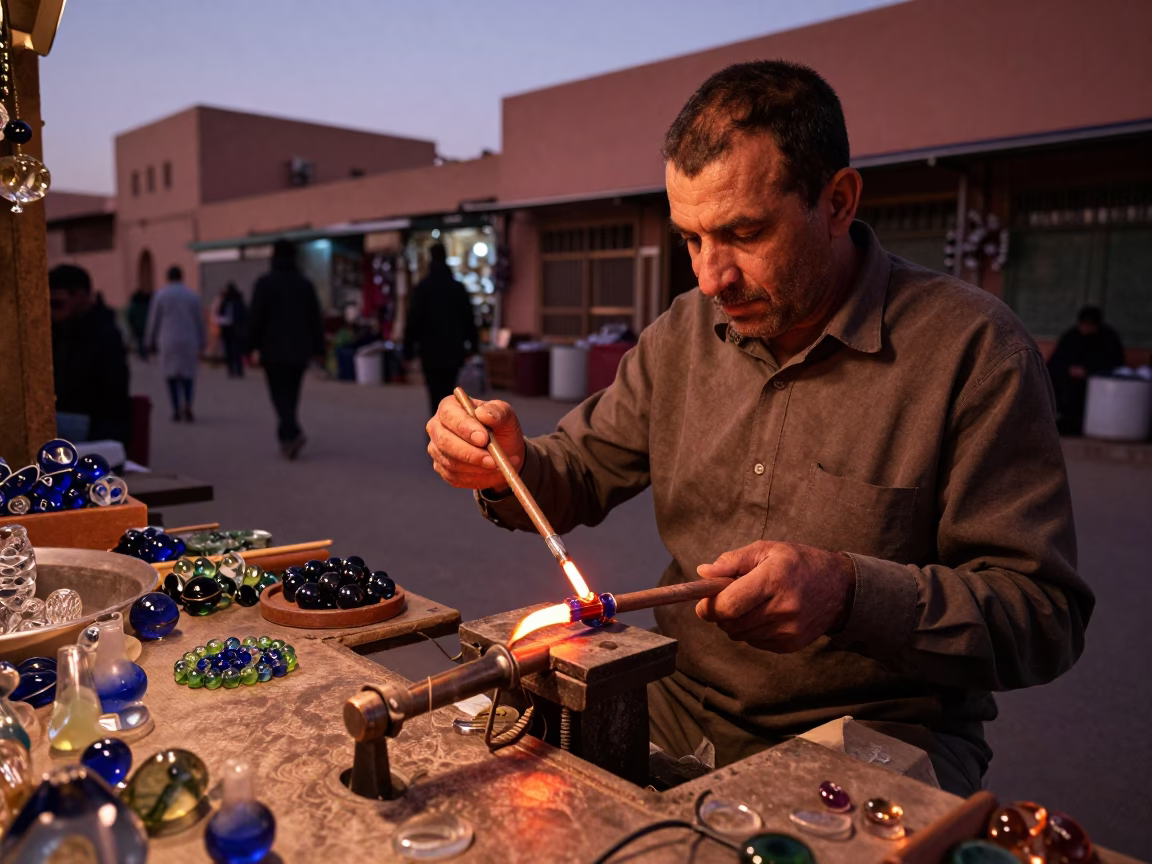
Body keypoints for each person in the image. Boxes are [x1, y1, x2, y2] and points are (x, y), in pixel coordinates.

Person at [425, 61, 1094, 796]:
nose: (711, 278)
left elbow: (1044, 618)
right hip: (680, 698)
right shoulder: (682, 334)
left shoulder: (973, 351)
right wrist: (509, 467)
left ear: (836, 202)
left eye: (744, 233)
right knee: (482, 784)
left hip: (877, 731)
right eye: (691, 239)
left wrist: (850, 594)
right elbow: (577, 471)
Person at [247, 240, 324, 459]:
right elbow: (315, 318)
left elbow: (255, 317)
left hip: (272, 350)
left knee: (278, 395)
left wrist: (250, 345)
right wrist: (319, 348)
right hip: (299, 350)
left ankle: (292, 432)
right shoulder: (304, 284)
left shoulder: (264, 284)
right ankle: (287, 437)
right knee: (292, 394)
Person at [48, 264, 131, 443]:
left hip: (98, 426)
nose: (52, 313)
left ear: (80, 296)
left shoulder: (104, 334)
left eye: (57, 305)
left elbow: (108, 395)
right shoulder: (59, 333)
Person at [403, 243, 480, 416]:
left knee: (434, 393)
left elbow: (413, 320)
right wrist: (473, 347)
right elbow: (469, 319)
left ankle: (438, 423)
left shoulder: (423, 288)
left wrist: (408, 350)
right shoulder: (457, 288)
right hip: (454, 349)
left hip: (429, 350)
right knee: (449, 390)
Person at [1046, 306, 1126, 436]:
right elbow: (1055, 362)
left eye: (1090, 326)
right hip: (1068, 380)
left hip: (1096, 382)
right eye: (1083, 325)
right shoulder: (1071, 336)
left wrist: (1088, 370)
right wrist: (1069, 369)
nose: (1086, 329)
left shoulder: (1108, 338)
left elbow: (1115, 364)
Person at [145, 265, 205, 422]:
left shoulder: (160, 296)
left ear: (168, 278)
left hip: (168, 340)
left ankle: (176, 409)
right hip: (189, 339)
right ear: (182, 277)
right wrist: (202, 341)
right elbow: (199, 321)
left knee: (170, 376)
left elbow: (154, 320)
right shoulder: (193, 296)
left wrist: (149, 341)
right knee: (188, 375)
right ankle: (188, 404)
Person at [214, 283, 248, 378]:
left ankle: (237, 370)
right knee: (230, 350)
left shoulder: (237, 302)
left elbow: (243, 316)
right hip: (228, 329)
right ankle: (232, 369)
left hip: (236, 330)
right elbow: (220, 314)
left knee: (236, 351)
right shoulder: (227, 302)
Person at [126, 285, 152, 359]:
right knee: (144, 340)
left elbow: (130, 316)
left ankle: (143, 353)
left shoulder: (134, 306)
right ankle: (145, 353)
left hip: (138, 326)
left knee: (140, 341)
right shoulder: (145, 305)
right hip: (145, 325)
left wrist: (132, 325)